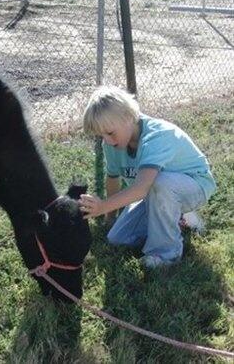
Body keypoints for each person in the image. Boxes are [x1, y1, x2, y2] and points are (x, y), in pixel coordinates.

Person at [78, 86, 216, 268]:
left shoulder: (157, 135)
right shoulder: (111, 145)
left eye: (110, 133)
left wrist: (103, 206)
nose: (108, 141)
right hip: (154, 193)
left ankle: (166, 254)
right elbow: (113, 179)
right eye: (101, 135)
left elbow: (142, 187)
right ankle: (177, 219)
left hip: (194, 187)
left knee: (160, 183)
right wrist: (110, 218)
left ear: (128, 117)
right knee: (118, 238)